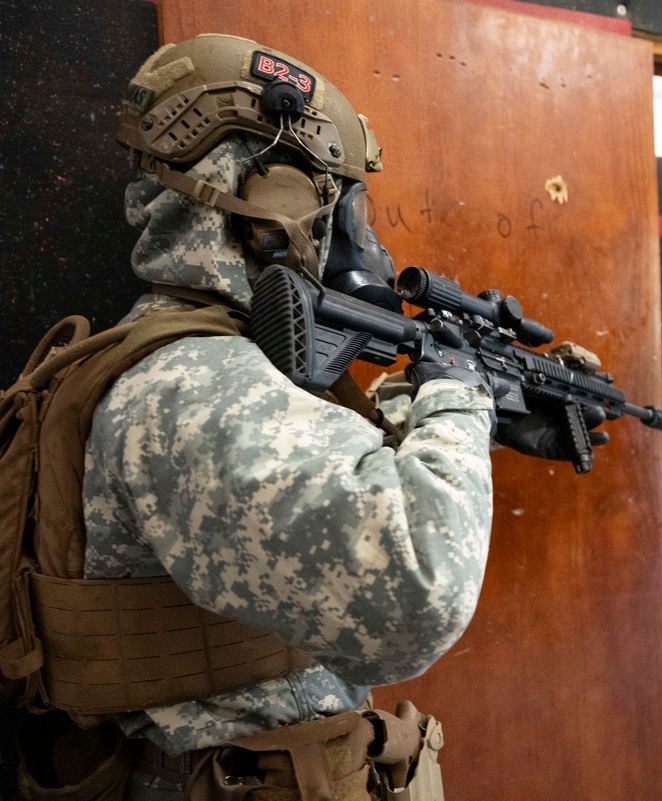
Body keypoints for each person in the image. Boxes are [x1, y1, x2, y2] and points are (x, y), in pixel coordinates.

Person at [17, 33, 496, 800]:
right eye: (343, 204)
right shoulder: (201, 385)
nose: (361, 242)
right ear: (272, 199)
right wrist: (460, 398)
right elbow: (417, 589)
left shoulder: (182, 362)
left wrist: (432, 408)